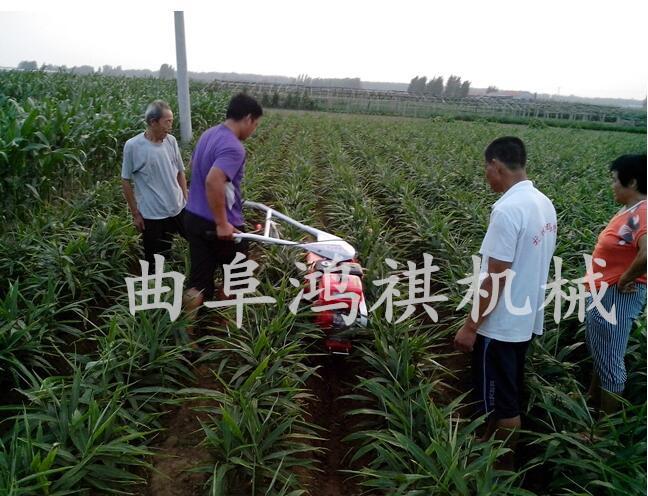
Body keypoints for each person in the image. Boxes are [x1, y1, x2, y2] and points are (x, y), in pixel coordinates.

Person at [453, 136, 557, 470]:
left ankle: (500, 471)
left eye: (486, 168)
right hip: (524, 320)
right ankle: (487, 443)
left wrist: (471, 326)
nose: (486, 176)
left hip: (499, 326)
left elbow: (496, 277)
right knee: (504, 390)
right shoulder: (543, 203)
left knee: (504, 403)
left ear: (496, 165)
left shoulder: (507, 210)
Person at [183, 93, 263, 313]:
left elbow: (194, 168)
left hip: (193, 217)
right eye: (255, 124)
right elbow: (213, 180)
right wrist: (222, 223)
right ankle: (223, 327)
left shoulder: (208, 134)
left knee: (198, 282)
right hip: (220, 226)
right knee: (237, 279)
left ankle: (185, 331)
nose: (253, 130)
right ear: (248, 118)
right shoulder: (234, 147)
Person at [585, 154, 647, 415]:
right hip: (605, 293)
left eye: (614, 180)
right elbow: (626, 245)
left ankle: (603, 429)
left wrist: (625, 278)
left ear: (631, 182)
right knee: (602, 351)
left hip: (616, 295)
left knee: (610, 359)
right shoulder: (633, 212)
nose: (612, 185)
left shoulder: (643, 212)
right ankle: (592, 401)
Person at [121, 100, 188, 267]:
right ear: (153, 122)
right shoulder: (133, 146)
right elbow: (125, 180)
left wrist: (185, 200)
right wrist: (135, 214)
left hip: (177, 207)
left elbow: (180, 172)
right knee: (155, 260)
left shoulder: (171, 141)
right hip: (152, 214)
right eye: (167, 122)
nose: (170, 126)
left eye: (172, 121)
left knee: (195, 242)